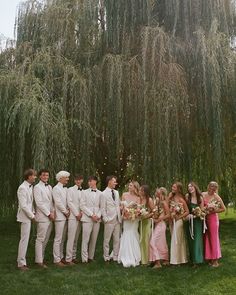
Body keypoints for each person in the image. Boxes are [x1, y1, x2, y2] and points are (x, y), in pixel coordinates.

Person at [16, 169, 37, 271]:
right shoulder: (22, 188)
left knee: (25, 239)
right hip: (25, 217)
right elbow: (23, 206)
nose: (35, 177)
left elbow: (30, 203)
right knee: (24, 240)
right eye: (34, 176)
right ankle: (21, 263)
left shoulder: (30, 186)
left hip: (29, 215)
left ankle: (22, 261)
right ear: (29, 176)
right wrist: (32, 216)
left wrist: (33, 212)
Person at [34, 169, 54, 268]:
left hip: (50, 217)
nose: (46, 177)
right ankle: (38, 261)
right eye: (44, 175)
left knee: (46, 239)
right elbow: (39, 203)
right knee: (40, 238)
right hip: (42, 217)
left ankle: (40, 257)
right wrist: (48, 213)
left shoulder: (49, 187)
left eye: (47, 175)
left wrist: (53, 212)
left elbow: (51, 202)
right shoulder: (37, 187)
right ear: (40, 176)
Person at [118, 180, 141, 267]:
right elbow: (122, 207)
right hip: (126, 219)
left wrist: (134, 215)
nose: (129, 186)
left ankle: (135, 255)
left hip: (134, 220)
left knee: (134, 233)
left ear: (135, 187)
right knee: (126, 233)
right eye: (129, 185)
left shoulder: (138, 198)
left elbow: (138, 209)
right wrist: (124, 213)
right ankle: (125, 254)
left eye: (131, 185)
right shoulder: (124, 194)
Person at [203, 181, 226, 267]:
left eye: (214, 187)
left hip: (213, 220)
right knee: (207, 238)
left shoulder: (216, 197)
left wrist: (214, 210)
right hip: (205, 219)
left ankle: (215, 260)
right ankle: (209, 258)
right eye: (211, 186)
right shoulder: (203, 194)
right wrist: (205, 209)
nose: (212, 188)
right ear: (208, 186)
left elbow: (223, 209)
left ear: (216, 188)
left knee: (214, 239)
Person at [80, 176, 101, 263]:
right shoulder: (84, 192)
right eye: (88, 181)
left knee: (94, 238)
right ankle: (84, 259)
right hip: (87, 218)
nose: (89, 182)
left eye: (91, 181)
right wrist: (91, 215)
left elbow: (102, 206)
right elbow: (82, 205)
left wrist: (98, 215)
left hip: (97, 219)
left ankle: (91, 257)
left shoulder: (101, 193)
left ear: (95, 181)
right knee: (85, 239)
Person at [101, 175, 122, 262]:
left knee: (116, 239)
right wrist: (106, 219)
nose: (115, 183)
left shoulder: (116, 192)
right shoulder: (103, 194)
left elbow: (118, 204)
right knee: (107, 240)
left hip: (117, 219)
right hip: (109, 220)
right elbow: (102, 208)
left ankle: (115, 256)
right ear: (109, 181)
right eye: (114, 181)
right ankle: (106, 257)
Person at [168, 182, 189, 265]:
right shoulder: (171, 198)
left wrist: (179, 217)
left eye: (174, 187)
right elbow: (167, 206)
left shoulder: (181, 199)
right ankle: (179, 259)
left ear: (178, 189)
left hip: (179, 221)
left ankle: (177, 261)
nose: (172, 188)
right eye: (172, 186)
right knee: (174, 238)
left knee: (176, 239)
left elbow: (187, 211)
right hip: (172, 221)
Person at [52, 171, 70, 266]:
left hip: (65, 216)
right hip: (59, 216)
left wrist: (68, 210)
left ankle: (61, 256)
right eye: (66, 177)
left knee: (63, 238)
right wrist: (66, 212)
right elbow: (58, 203)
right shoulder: (56, 188)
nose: (67, 179)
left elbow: (67, 201)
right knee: (58, 238)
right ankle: (56, 259)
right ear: (60, 178)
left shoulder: (65, 189)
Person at [149, 187, 170, 268]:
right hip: (157, 224)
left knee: (152, 241)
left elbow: (168, 215)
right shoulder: (157, 203)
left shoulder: (164, 203)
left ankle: (157, 263)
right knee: (160, 243)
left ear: (161, 194)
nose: (156, 193)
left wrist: (159, 219)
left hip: (161, 225)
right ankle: (164, 260)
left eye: (158, 192)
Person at [65, 174, 84, 264]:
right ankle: (68, 259)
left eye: (80, 179)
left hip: (81, 217)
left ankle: (73, 256)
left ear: (82, 180)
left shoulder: (83, 191)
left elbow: (84, 204)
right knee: (71, 237)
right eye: (76, 180)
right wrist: (76, 214)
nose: (78, 181)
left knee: (76, 238)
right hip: (73, 216)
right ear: (74, 181)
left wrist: (81, 214)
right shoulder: (70, 190)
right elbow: (70, 202)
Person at [185, 182, 204, 266]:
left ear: (195, 187)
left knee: (197, 239)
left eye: (191, 186)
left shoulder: (200, 197)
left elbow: (202, 210)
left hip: (197, 221)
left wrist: (196, 214)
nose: (190, 188)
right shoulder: (187, 196)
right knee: (191, 240)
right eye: (188, 187)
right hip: (189, 221)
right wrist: (188, 215)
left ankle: (197, 260)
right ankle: (192, 259)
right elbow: (186, 209)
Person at [139, 185, 154, 265]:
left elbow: (154, 211)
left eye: (141, 191)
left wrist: (147, 215)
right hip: (141, 222)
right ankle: (142, 259)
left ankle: (148, 260)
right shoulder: (140, 200)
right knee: (141, 239)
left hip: (147, 222)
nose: (140, 192)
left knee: (146, 240)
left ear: (145, 192)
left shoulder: (150, 200)